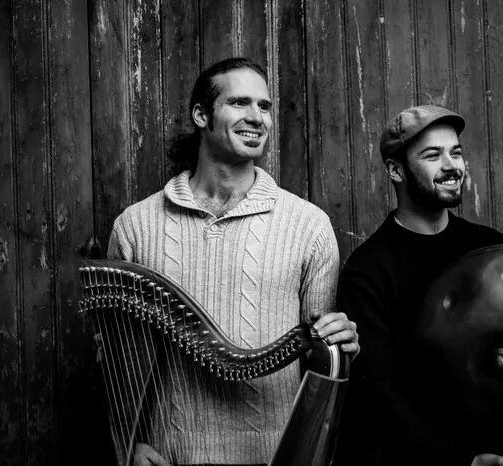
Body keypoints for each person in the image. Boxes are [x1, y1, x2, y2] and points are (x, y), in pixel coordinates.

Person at [107, 57, 360, 466]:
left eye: (265, 106)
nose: (257, 118)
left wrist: (341, 346)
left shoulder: (309, 226)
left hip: (274, 458)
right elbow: (117, 360)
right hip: (168, 458)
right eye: (240, 103)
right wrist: (129, 445)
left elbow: (321, 356)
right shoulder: (136, 227)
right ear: (201, 115)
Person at [334, 105, 503, 465]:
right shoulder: (368, 272)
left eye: (456, 152)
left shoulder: (490, 248)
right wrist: (465, 460)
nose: (452, 166)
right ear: (396, 171)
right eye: (432, 155)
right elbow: (381, 393)